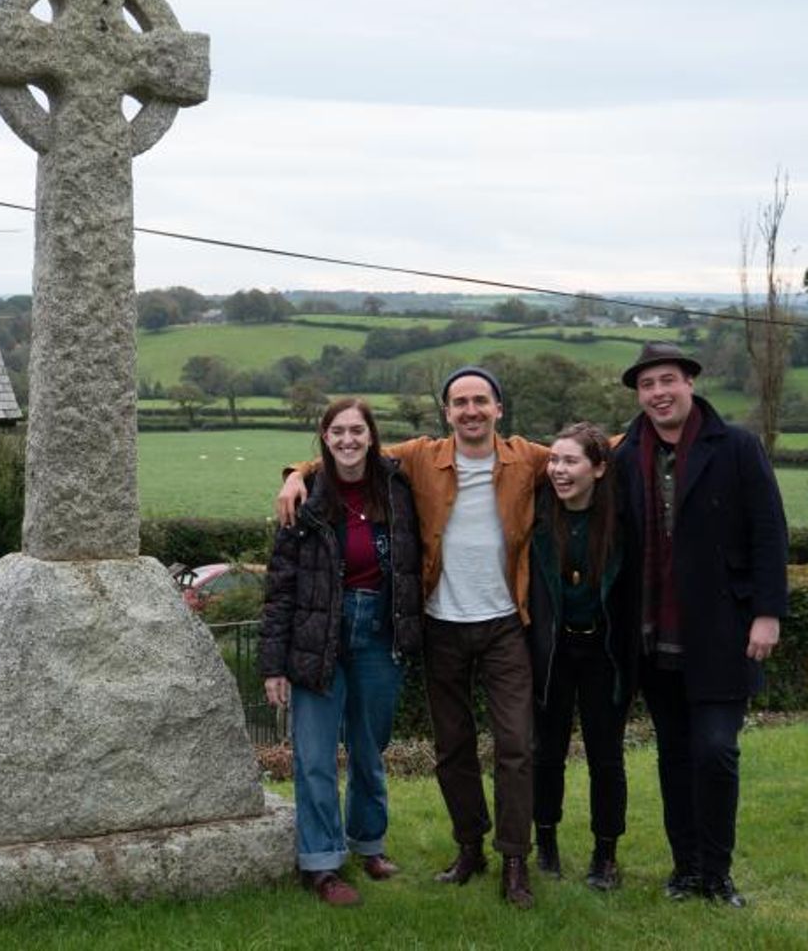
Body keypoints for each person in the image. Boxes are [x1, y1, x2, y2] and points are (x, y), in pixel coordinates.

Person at [278, 368, 549, 908]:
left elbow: (589, 452)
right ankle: (467, 848)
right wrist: (294, 474)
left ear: (498, 407)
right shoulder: (423, 457)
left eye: (480, 401)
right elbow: (346, 453)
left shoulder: (528, 459)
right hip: (440, 624)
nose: (470, 410)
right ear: (446, 412)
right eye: (459, 403)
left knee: (515, 746)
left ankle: (514, 857)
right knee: (450, 748)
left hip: (500, 626)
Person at [614, 341, 787, 908]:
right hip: (651, 635)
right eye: (647, 385)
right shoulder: (625, 454)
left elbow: (769, 531)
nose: (658, 393)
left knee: (715, 751)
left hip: (721, 629)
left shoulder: (736, 447)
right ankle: (686, 869)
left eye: (667, 380)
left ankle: (718, 872)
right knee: (675, 755)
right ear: (638, 394)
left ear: (690, 382)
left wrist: (767, 613)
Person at [260, 398, 423, 907]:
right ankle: (322, 864)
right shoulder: (304, 499)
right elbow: (280, 586)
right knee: (313, 758)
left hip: (379, 632)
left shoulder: (398, 488)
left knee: (370, 752)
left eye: (358, 430)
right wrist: (273, 665)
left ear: (372, 436)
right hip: (317, 638)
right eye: (338, 432)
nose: (348, 439)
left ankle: (369, 844)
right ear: (324, 439)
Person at [526, 422, 638, 892]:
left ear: (598, 468)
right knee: (546, 753)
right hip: (552, 650)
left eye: (571, 461)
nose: (558, 469)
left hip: (603, 653)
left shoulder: (622, 519)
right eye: (554, 460)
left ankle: (605, 853)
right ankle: (545, 841)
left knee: (605, 756)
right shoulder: (537, 511)